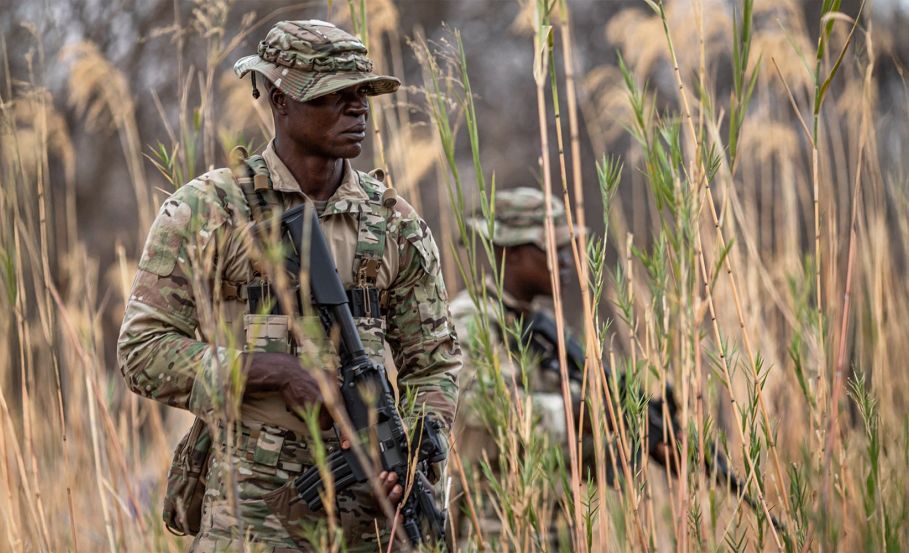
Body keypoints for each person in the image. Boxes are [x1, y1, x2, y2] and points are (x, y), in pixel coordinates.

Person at [117, 20, 460, 552]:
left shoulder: (394, 224)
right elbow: (141, 351)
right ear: (279, 100)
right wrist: (273, 372)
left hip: (369, 520)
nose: (358, 109)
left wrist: (414, 449)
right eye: (334, 95)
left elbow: (434, 363)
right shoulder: (208, 211)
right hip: (249, 515)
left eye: (362, 94)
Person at [448, 187, 581, 544]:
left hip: (554, 522)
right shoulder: (469, 319)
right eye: (553, 249)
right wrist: (579, 409)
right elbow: (486, 407)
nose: (567, 261)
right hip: (493, 523)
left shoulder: (547, 324)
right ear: (512, 253)